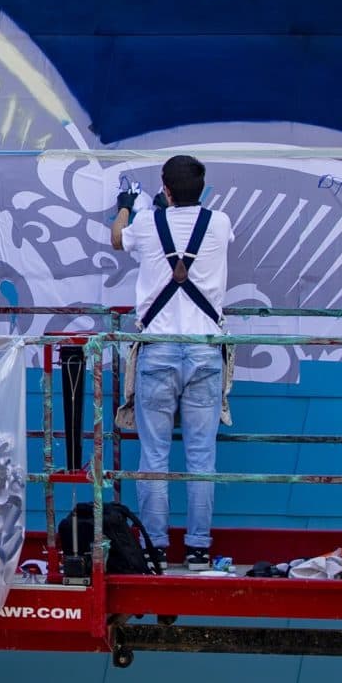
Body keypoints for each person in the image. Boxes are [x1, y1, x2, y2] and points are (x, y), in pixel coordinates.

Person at [111, 153, 233, 569]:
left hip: (159, 351)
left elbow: (117, 238)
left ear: (164, 188)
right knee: (201, 454)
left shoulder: (145, 223)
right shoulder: (219, 223)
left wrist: (126, 205)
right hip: (204, 349)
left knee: (154, 453)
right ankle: (199, 548)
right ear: (202, 188)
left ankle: (155, 546)